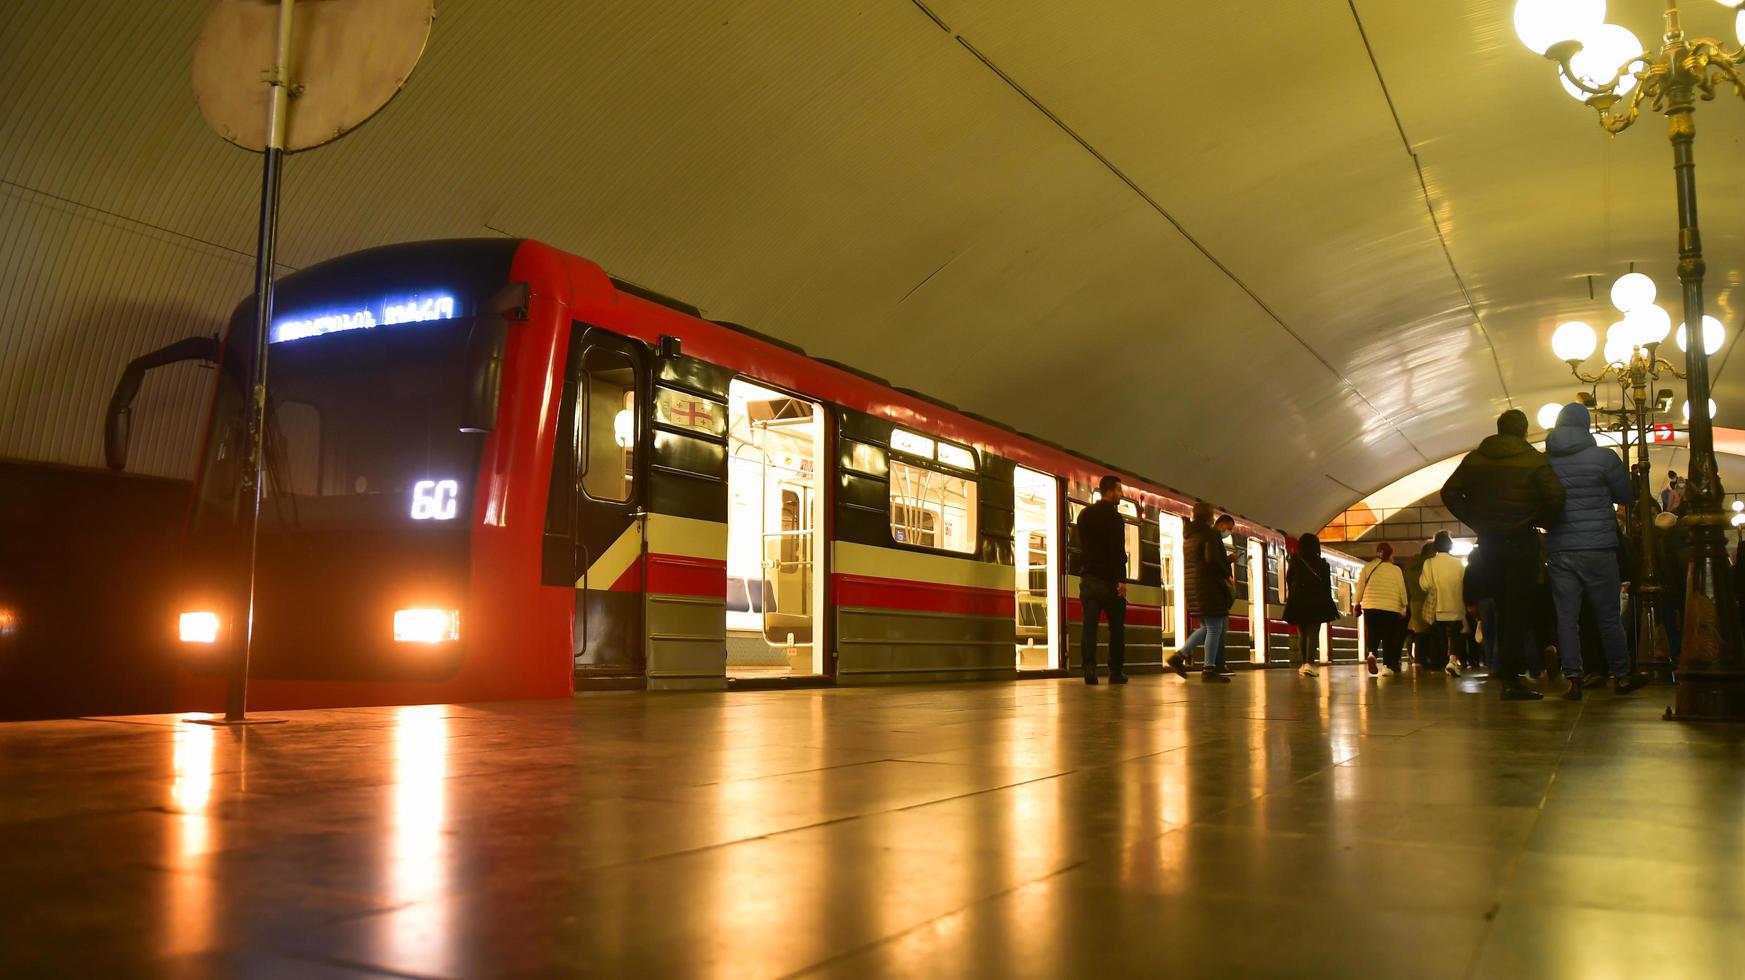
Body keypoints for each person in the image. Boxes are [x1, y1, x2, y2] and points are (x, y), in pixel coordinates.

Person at [1441, 408, 1566, 700]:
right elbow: (1556, 495)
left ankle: (1508, 676)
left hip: (1490, 544)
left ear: (1498, 429)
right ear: (1523, 431)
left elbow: (1449, 492)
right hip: (1522, 542)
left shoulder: (1475, 459)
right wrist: (1539, 519)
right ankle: (1511, 680)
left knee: (1501, 605)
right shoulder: (1533, 459)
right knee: (1517, 610)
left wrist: (1476, 520)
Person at [1543, 402, 1648, 699]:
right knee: (1608, 617)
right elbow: (1625, 495)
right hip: (1599, 547)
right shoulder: (1604, 457)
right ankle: (1621, 675)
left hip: (1561, 548)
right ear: (1586, 425)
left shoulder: (1546, 462)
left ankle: (1574, 680)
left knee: (1567, 617)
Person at [1076, 475, 1129, 685]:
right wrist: (1121, 580)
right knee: (1116, 628)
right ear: (1109, 491)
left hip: (1089, 579)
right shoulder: (1115, 519)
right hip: (1109, 581)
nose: (1121, 494)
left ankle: (1089, 670)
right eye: (1119, 490)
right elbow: (1117, 551)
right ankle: (1115, 671)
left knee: (1089, 626)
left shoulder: (1084, 515)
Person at [1176, 502, 1234, 683]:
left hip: (1195, 587)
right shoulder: (1210, 534)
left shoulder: (1189, 535)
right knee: (1215, 628)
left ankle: (1179, 657)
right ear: (1209, 517)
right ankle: (1208, 670)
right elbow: (1212, 561)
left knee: (1207, 628)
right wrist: (1226, 568)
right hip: (1209, 587)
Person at [1283, 532, 1340, 677]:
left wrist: (1294, 595)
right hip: (1316, 602)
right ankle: (1310, 663)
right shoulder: (1322, 564)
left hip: (1298, 601)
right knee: (1313, 633)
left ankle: (1303, 664)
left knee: (1302, 633)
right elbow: (1327, 585)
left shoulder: (1294, 561)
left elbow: (1289, 580)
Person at [1355, 542, 1408, 676]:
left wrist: (1356, 603)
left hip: (1370, 606)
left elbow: (1360, 586)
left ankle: (1372, 654)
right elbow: (1402, 590)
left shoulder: (1368, 567)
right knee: (1388, 637)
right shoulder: (1396, 570)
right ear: (1390, 555)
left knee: (1372, 632)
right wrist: (1404, 606)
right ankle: (1386, 667)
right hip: (1391, 608)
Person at [1421, 532, 1467, 676]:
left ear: (1435, 546)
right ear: (1450, 546)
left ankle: (1437, 664)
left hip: (1437, 606)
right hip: (1455, 605)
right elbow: (1465, 583)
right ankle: (1452, 660)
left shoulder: (1429, 563)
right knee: (1454, 634)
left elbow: (1425, 584)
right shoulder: (1459, 563)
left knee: (1437, 637)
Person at [1404, 540, 1435, 670]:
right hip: (1430, 600)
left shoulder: (1410, 566)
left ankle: (1419, 660)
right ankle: (1431, 659)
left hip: (1414, 602)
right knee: (1433, 631)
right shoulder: (1430, 564)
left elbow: (1405, 586)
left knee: (1419, 632)